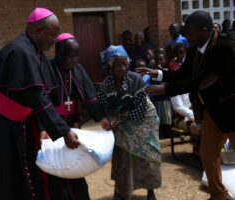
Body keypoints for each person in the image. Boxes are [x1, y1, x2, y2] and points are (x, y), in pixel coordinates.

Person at [0, 8, 81, 200]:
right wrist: (64, 132)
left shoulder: (35, 50)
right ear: (38, 29)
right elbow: (36, 97)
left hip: (14, 120)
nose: (54, 40)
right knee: (1, 172)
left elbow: (41, 93)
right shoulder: (21, 51)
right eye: (51, 35)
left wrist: (42, 126)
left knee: (21, 169)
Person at [136, 11, 235, 200]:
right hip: (209, 112)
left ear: (204, 31)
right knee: (208, 157)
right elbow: (183, 75)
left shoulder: (223, 48)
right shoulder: (194, 49)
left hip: (231, 112)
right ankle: (218, 195)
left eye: (189, 32)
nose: (186, 37)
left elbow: (200, 81)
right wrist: (158, 74)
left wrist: (166, 90)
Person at [41, 33, 110, 200]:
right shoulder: (46, 68)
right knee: (56, 169)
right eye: (72, 56)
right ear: (59, 53)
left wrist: (101, 118)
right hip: (52, 128)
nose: (75, 60)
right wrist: (43, 128)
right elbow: (40, 103)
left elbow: (90, 97)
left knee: (75, 165)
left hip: (73, 126)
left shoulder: (77, 70)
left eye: (77, 56)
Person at [98, 45, 161, 200]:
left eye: (125, 64)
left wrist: (119, 122)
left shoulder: (136, 80)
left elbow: (140, 108)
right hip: (123, 118)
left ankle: (150, 191)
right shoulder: (106, 84)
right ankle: (123, 192)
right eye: (119, 64)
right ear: (110, 66)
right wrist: (108, 122)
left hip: (145, 118)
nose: (123, 67)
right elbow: (103, 108)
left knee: (147, 155)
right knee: (123, 155)